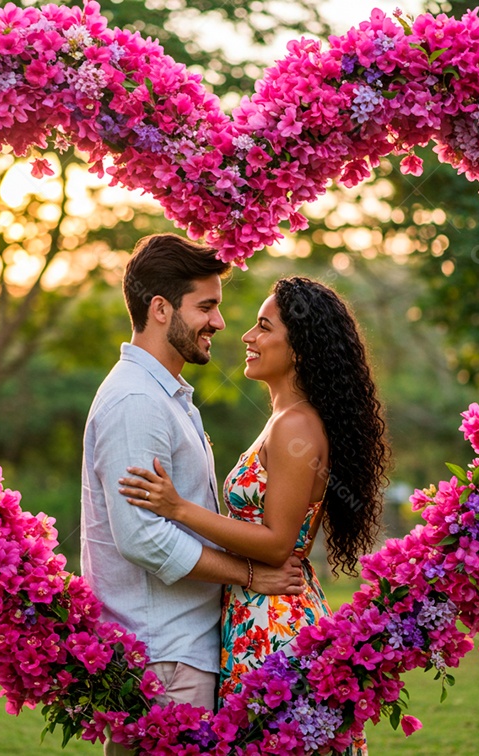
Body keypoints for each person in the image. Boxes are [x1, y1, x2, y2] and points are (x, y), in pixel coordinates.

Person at [121, 276, 389, 752]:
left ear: (301, 348)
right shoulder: (283, 421)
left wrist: (177, 508)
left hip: (277, 621)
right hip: (257, 610)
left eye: (264, 327)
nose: (246, 336)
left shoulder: (296, 426)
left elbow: (279, 543)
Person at [80, 235, 306, 755]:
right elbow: (142, 540)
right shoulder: (137, 401)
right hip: (163, 656)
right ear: (160, 309)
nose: (220, 323)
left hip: (181, 651)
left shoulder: (168, 395)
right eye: (206, 307)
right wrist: (250, 575)